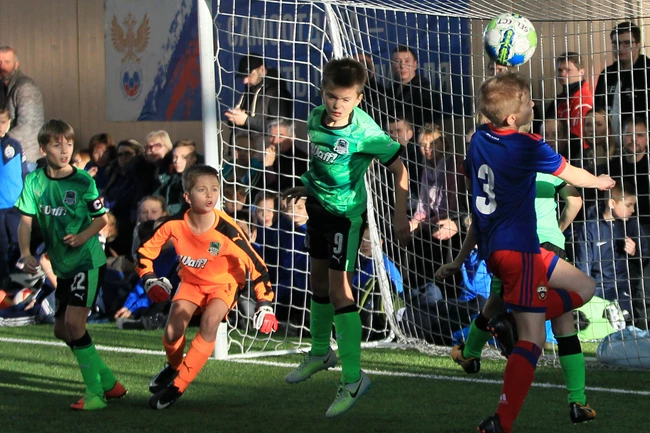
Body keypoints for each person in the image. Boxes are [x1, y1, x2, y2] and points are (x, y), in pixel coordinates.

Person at [437, 72, 614, 433]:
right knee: (533, 339)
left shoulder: (478, 139)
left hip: (497, 249)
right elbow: (573, 176)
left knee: (585, 287)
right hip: (521, 250)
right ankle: (502, 420)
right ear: (512, 117)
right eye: (528, 101)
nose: (534, 104)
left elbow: (474, 188)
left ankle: (502, 326)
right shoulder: (529, 146)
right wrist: (599, 181)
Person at [282, 58, 410, 418]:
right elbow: (323, 166)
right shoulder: (313, 120)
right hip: (318, 210)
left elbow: (401, 170)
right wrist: (306, 187)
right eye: (331, 96)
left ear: (359, 98)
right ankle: (320, 352)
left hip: (345, 218)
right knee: (318, 283)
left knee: (341, 291)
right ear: (322, 92)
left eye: (345, 99)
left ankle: (353, 378)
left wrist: (400, 214)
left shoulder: (366, 133)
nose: (337, 105)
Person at [440, 161, 595, 425]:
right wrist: (558, 228)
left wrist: (458, 260)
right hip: (551, 245)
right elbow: (575, 201)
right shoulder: (547, 162)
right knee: (563, 321)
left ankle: (472, 354)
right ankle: (577, 400)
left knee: (497, 306)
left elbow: (479, 222)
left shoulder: (499, 165)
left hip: (518, 246)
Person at [136, 164, 278, 410]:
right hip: (191, 282)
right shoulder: (173, 224)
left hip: (225, 283)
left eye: (214, 188)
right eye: (202, 190)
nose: (210, 195)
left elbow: (257, 266)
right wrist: (149, 278)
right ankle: (173, 367)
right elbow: (144, 253)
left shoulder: (228, 230)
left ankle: (177, 387)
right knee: (172, 332)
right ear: (187, 196)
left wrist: (264, 303)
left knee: (210, 322)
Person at [15, 119, 126, 410]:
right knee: (61, 330)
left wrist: (82, 236)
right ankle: (109, 382)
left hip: (87, 261)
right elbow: (25, 221)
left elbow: (101, 219)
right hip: (62, 264)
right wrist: (25, 252)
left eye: (69, 144)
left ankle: (96, 395)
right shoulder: (34, 181)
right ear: (43, 149)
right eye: (57, 144)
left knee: (75, 324)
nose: (65, 150)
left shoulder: (83, 181)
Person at [574, 180, 648, 317]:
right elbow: (584, 266)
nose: (633, 210)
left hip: (625, 288)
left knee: (624, 316)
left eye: (634, 205)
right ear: (612, 203)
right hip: (598, 289)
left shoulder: (633, 225)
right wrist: (586, 293)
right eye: (628, 205)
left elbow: (645, 259)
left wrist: (635, 252)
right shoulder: (590, 228)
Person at [594, 22, 650, 137]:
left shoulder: (647, 71)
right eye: (616, 43)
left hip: (640, 141)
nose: (620, 48)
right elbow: (597, 109)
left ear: (638, 45)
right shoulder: (607, 74)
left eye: (627, 43)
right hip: (610, 141)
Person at [224, 53, 293, 141]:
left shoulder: (277, 93)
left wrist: (246, 121)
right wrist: (234, 118)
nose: (245, 81)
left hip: (267, 148)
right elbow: (242, 123)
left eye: (249, 75)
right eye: (243, 77)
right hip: (243, 147)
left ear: (262, 70)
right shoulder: (250, 91)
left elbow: (280, 129)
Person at [0, 46, 45, 167]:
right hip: (8, 153)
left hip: (26, 157)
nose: (2, 67)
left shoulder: (26, 87)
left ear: (16, 64)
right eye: (0, 62)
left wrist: (3, 141)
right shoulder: (3, 87)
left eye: (7, 62)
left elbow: (27, 126)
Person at [0, 105, 27, 282]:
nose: (0, 126)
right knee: (1, 245)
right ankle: (4, 280)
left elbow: (23, 172)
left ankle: (20, 278)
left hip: (16, 205)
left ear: (9, 122)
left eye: (3, 122)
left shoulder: (15, 145)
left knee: (19, 241)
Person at [545, 52, 593, 145]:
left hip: (574, 150)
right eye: (560, 70)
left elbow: (579, 136)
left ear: (581, 72)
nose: (562, 74)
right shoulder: (562, 98)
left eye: (568, 70)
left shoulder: (583, 99)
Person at [387, 46, 438, 128]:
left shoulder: (423, 90)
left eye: (407, 61)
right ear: (392, 66)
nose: (402, 66)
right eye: (397, 62)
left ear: (415, 64)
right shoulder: (391, 91)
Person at [261, 119, 308, 193]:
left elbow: (279, 189)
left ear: (292, 138)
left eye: (280, 136)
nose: (275, 141)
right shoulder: (269, 155)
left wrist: (269, 166)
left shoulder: (300, 160)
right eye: (272, 136)